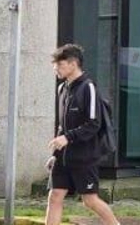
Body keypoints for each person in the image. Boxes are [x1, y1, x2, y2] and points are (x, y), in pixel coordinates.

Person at [47, 44, 119, 225]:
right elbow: (62, 125)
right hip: (63, 157)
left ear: (73, 64)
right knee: (55, 196)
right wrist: (55, 154)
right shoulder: (62, 89)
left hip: (85, 156)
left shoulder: (88, 87)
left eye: (60, 64)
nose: (55, 68)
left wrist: (68, 138)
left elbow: (94, 124)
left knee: (90, 200)